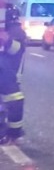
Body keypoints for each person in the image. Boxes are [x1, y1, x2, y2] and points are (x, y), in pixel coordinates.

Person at [0, 13, 27, 144]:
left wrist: (6, 40)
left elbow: (16, 49)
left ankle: (13, 133)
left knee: (15, 99)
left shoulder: (15, 32)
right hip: (6, 76)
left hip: (7, 76)